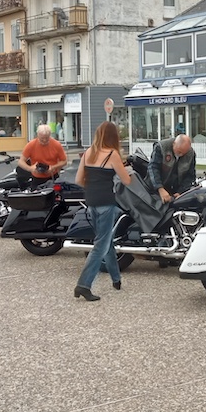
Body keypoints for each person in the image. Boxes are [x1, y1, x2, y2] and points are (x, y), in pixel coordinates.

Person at [73, 121, 132, 301]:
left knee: (106, 241)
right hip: (106, 202)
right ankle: (83, 285)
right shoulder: (112, 154)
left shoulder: (88, 153)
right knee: (101, 245)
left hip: (91, 201)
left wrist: (93, 186)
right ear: (113, 136)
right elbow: (126, 180)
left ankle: (116, 278)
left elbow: (78, 180)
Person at [147, 133, 196, 203]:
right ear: (174, 144)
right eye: (179, 151)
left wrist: (181, 192)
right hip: (155, 190)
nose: (181, 155)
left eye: (184, 153)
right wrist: (160, 188)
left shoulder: (190, 154)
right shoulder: (161, 147)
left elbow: (190, 175)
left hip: (175, 191)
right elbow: (153, 168)